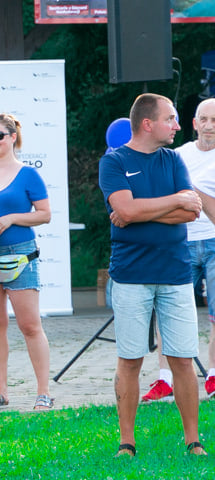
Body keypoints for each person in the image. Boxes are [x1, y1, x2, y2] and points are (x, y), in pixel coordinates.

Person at [99, 93, 206, 457]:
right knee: (130, 359)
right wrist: (172, 201)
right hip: (131, 275)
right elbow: (125, 209)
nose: (178, 126)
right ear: (148, 123)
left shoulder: (173, 159)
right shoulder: (113, 162)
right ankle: (126, 443)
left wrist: (139, 212)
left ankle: (193, 441)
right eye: (171, 119)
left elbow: (190, 212)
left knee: (182, 358)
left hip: (176, 273)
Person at [0, 113, 53, 411]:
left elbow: (45, 214)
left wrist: (11, 218)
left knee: (30, 325)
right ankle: (0, 391)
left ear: (12, 137)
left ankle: (44, 392)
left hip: (21, 254)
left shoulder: (28, 174)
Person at [143, 97, 215, 402]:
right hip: (179, 241)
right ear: (194, 123)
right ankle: (164, 379)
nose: (209, 126)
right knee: (169, 309)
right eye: (204, 119)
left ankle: (212, 376)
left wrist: (190, 191)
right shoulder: (176, 155)